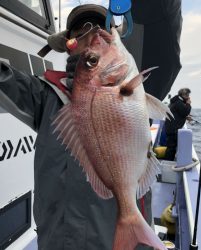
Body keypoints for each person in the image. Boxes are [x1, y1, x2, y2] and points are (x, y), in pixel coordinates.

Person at [0, 4, 153, 250]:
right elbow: (5, 80)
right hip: (54, 241)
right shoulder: (46, 95)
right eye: (81, 29)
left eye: (100, 27)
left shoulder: (131, 83)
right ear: (70, 43)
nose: (92, 34)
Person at [164, 88, 192, 161]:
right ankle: (168, 162)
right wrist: (188, 104)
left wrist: (186, 117)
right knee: (171, 148)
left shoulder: (176, 101)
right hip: (173, 129)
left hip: (170, 128)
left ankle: (168, 160)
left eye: (188, 94)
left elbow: (179, 114)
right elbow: (185, 112)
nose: (188, 96)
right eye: (186, 95)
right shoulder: (179, 102)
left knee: (171, 147)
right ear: (182, 95)